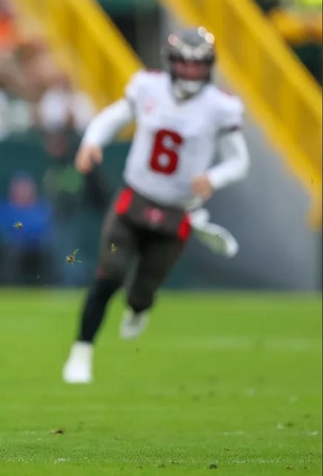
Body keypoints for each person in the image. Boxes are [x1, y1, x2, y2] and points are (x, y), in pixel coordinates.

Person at [61, 26, 250, 384]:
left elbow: (239, 161)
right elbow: (114, 116)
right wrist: (92, 141)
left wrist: (215, 177)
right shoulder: (149, 87)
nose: (192, 73)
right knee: (109, 275)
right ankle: (81, 352)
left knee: (141, 294)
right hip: (134, 200)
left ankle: (138, 308)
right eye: (186, 64)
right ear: (172, 63)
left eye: (199, 66)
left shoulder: (220, 107)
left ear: (208, 67)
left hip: (177, 212)